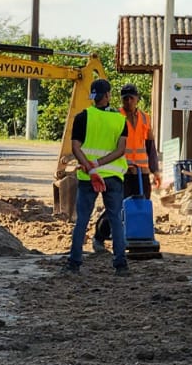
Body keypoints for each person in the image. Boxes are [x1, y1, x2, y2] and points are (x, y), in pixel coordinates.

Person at [65, 78, 129, 275]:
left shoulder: (82, 117)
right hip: (113, 176)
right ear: (108, 95)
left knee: (82, 219)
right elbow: (121, 150)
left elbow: (75, 148)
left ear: (93, 96)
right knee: (115, 219)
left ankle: (74, 263)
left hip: (88, 178)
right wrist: (99, 164)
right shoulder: (120, 119)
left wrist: (90, 168)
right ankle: (121, 264)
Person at [93, 83, 160, 252]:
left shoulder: (145, 118)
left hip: (142, 172)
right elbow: (110, 145)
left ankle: (139, 237)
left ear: (137, 99)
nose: (129, 101)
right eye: (125, 98)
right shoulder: (116, 117)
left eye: (131, 98)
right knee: (116, 205)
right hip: (121, 171)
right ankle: (99, 237)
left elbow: (150, 145)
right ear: (121, 99)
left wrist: (155, 170)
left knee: (141, 205)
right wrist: (124, 163)